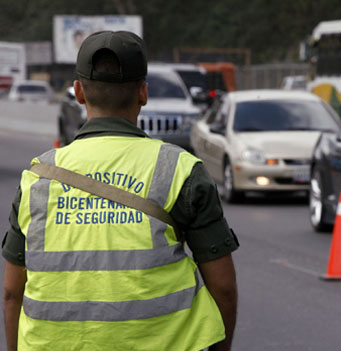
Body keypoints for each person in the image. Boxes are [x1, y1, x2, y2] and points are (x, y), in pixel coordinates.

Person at [2, 31, 239, 351]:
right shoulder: (181, 170)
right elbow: (222, 287)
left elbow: (12, 293)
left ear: (79, 92)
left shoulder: (37, 177)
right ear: (143, 93)